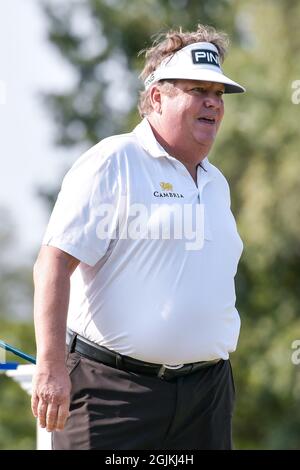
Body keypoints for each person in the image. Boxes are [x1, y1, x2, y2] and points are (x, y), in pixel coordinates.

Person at [32, 24, 245, 450]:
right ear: (156, 98)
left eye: (219, 94)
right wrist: (51, 366)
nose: (212, 103)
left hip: (206, 395)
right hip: (111, 395)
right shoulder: (113, 161)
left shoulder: (216, 182)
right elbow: (53, 263)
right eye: (197, 89)